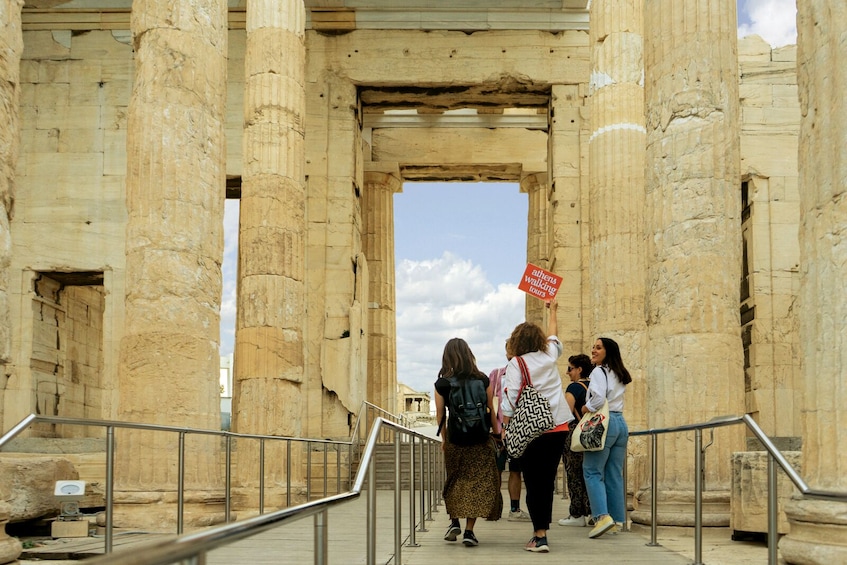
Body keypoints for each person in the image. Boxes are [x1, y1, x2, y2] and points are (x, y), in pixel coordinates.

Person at [500, 298, 573, 553]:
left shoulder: (516, 364)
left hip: (531, 431)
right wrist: (552, 310)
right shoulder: (549, 356)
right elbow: (554, 336)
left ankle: (539, 534)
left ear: (516, 342)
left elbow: (509, 401)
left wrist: (506, 425)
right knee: (546, 481)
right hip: (558, 427)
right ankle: (542, 532)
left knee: (533, 482)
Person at [434, 337, 503, 547]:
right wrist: (497, 434)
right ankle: (469, 531)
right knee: (477, 484)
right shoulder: (482, 379)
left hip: (456, 439)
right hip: (480, 439)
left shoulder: (442, 383)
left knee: (455, 480)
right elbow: (490, 409)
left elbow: (440, 415)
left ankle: (454, 520)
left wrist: (445, 440)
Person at [583, 337, 632, 539]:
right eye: (593, 347)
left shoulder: (598, 371)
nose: (593, 351)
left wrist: (587, 407)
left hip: (605, 422)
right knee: (613, 472)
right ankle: (616, 518)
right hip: (620, 423)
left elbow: (598, 398)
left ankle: (602, 517)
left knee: (592, 470)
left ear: (607, 352)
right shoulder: (618, 372)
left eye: (598, 348)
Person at [489, 343, 530, 522]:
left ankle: (514, 508)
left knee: (516, 469)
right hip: (498, 430)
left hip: (518, 430)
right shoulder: (497, 374)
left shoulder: (526, 374)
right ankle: (494, 507)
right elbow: (489, 402)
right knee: (496, 469)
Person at [557, 353, 594, 526]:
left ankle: (576, 514)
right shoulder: (595, 386)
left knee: (574, 473)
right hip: (592, 432)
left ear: (579, 369)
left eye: (570, 368)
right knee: (591, 473)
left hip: (575, 433)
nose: (567, 372)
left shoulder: (574, 388)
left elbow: (566, 412)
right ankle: (592, 512)